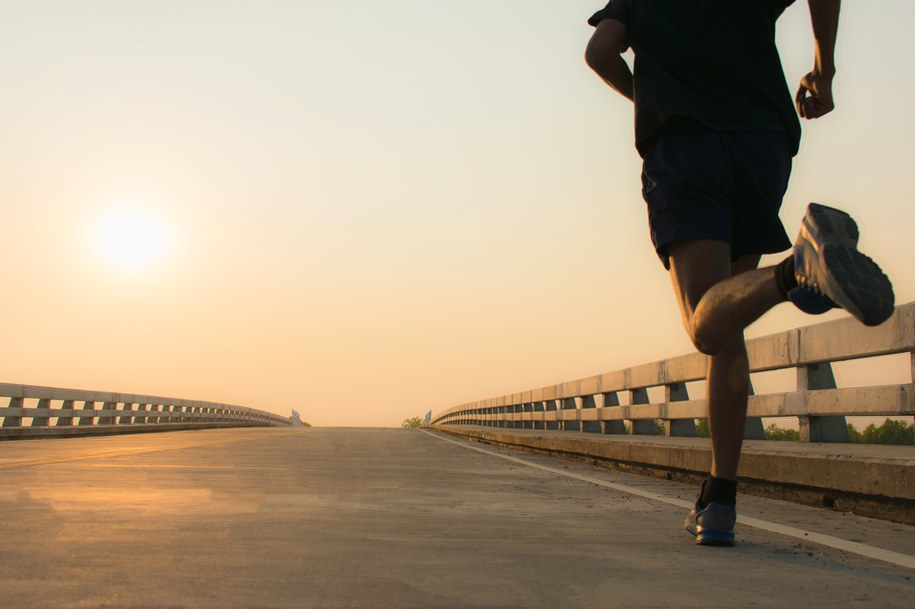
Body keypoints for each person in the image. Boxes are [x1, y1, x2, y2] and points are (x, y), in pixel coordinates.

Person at [584, 0, 894, 546]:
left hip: (685, 143)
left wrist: (650, 97)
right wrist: (824, 71)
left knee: (707, 325)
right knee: (731, 312)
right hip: (761, 140)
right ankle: (719, 500)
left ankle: (796, 272)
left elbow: (600, 52)